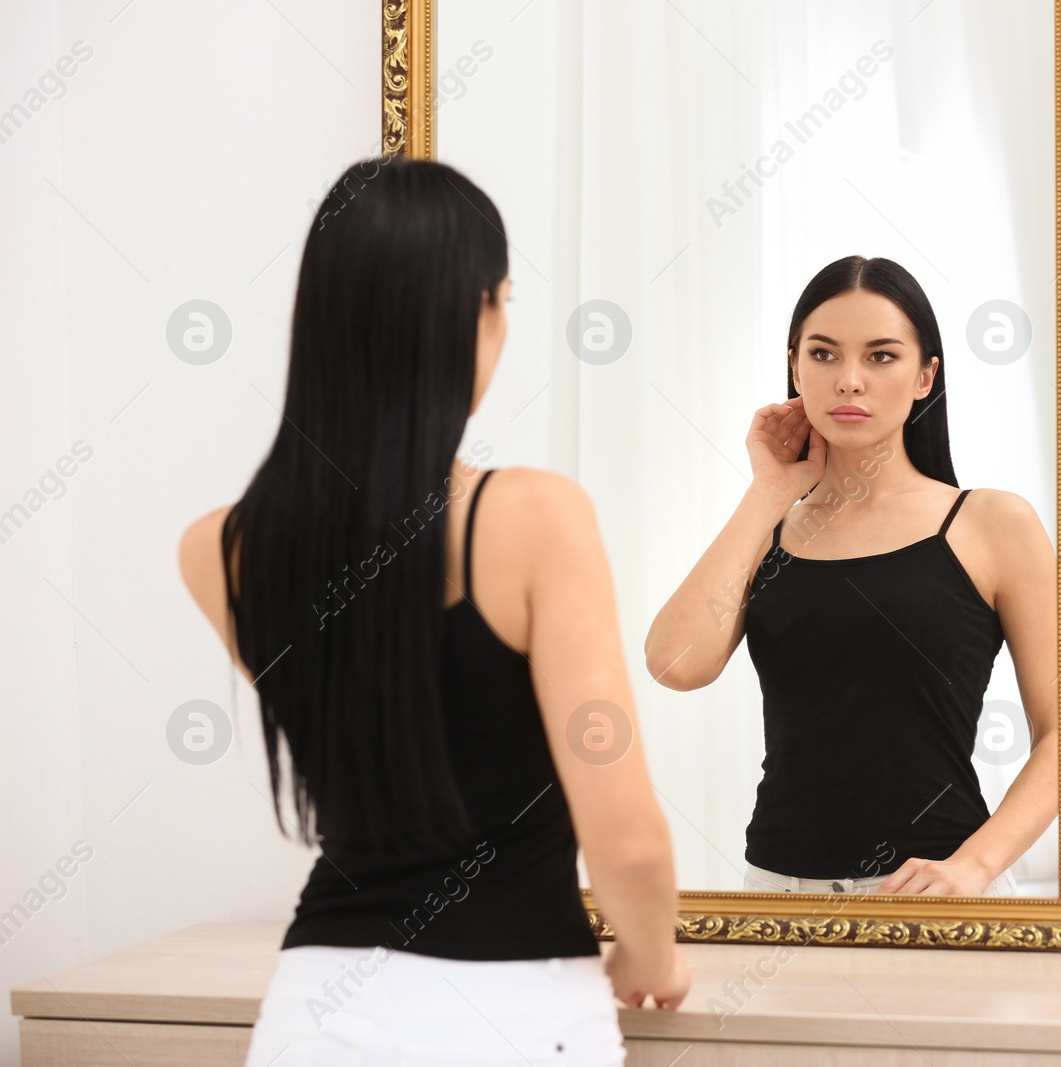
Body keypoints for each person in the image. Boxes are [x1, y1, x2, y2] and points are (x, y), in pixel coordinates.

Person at [178, 157, 688, 1066]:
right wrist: (652, 957)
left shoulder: (221, 548)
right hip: (517, 1016)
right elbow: (628, 840)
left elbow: (371, 726)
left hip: (311, 1013)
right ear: (477, 315)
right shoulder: (534, 516)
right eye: (504, 302)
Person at [644, 255, 1060, 897]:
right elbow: (675, 663)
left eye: (882, 356)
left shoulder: (990, 523)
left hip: (934, 891)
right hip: (777, 892)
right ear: (794, 368)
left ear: (926, 376)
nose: (849, 381)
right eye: (825, 354)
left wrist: (975, 866)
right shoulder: (769, 529)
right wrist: (768, 492)